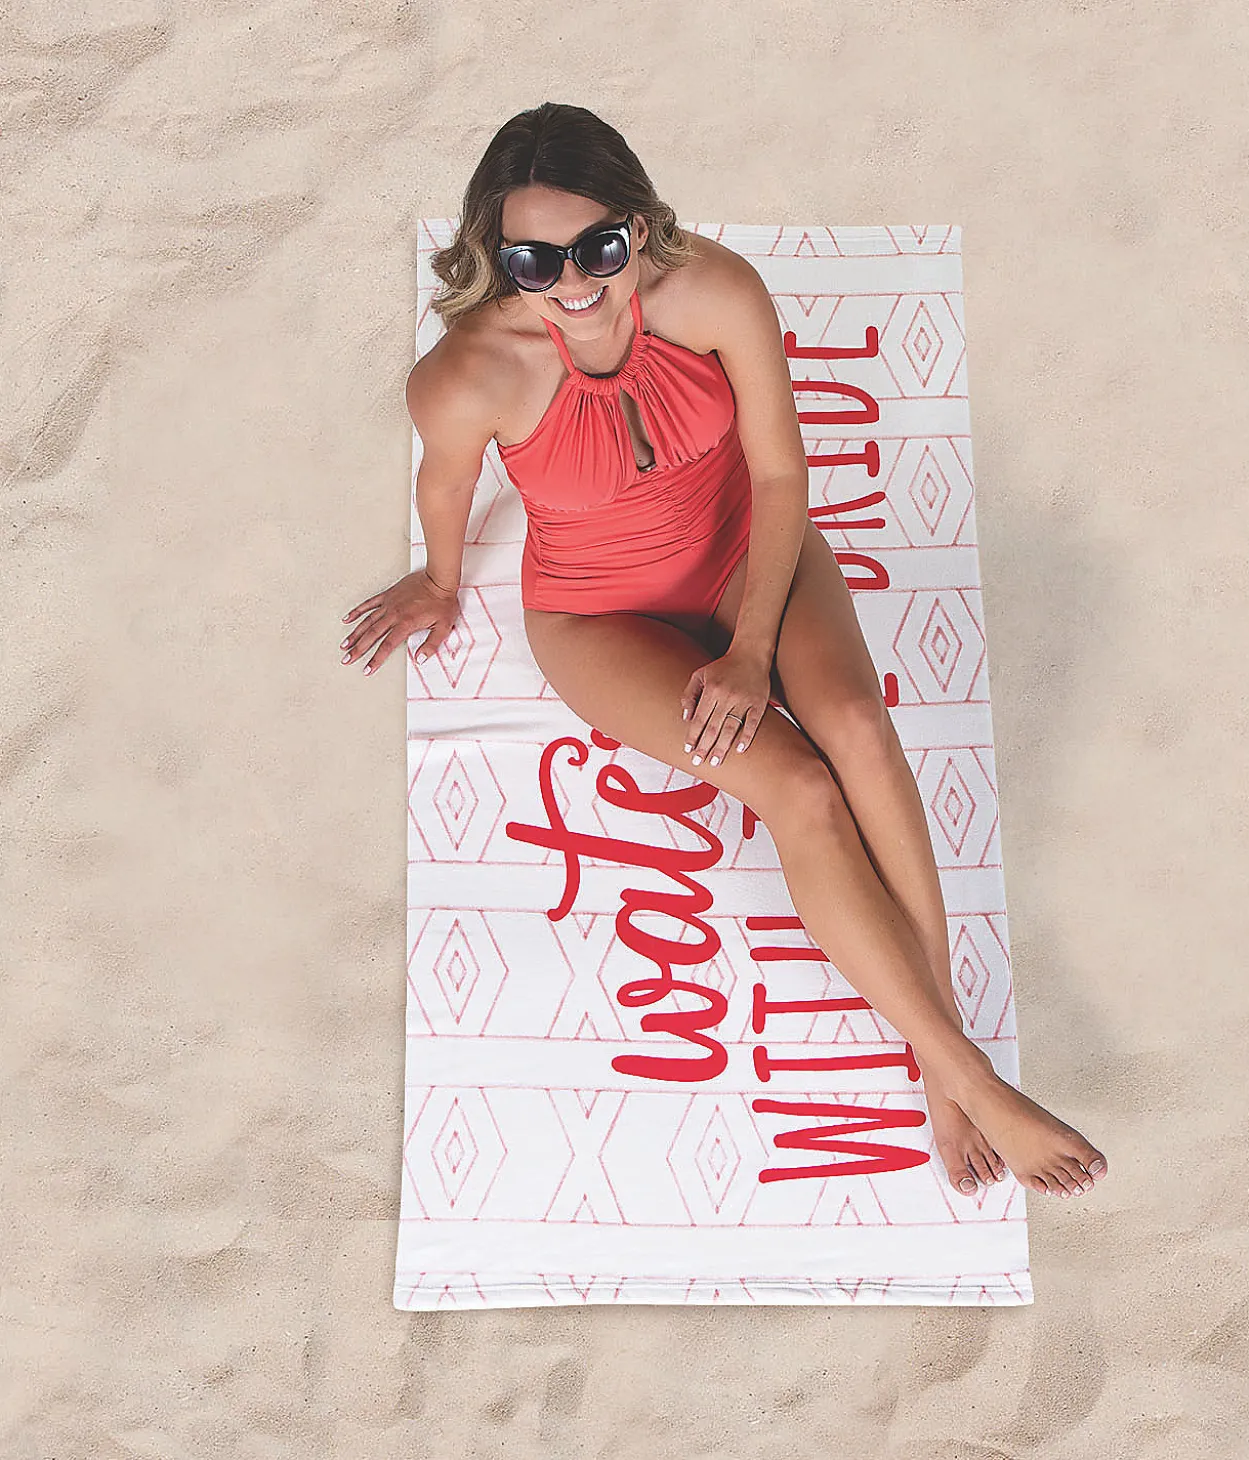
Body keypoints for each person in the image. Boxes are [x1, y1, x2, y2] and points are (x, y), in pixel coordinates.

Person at [341, 102, 1108, 1200]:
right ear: (494, 254)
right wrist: (440, 579)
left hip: (749, 550)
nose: (572, 281)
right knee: (798, 786)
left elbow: (783, 473)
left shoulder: (713, 290)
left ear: (638, 223)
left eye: (599, 247)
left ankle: (946, 1070)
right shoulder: (467, 374)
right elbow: (447, 481)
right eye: (534, 259)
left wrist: (751, 650)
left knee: (854, 725)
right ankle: (971, 1073)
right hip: (597, 613)